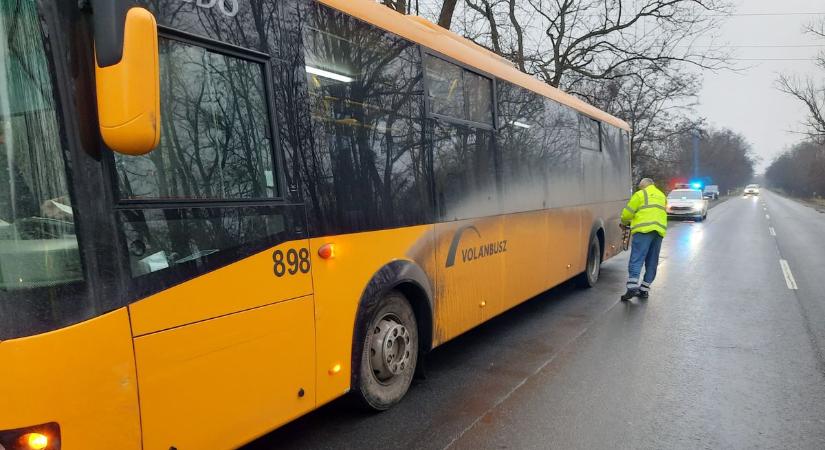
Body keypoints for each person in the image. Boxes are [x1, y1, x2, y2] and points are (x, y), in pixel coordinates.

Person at [620, 178, 667, 301]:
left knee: (637, 257)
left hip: (643, 231)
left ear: (642, 186)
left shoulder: (640, 194)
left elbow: (627, 214)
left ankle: (632, 287)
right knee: (652, 260)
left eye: (640, 186)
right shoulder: (661, 195)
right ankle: (644, 289)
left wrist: (624, 222)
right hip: (659, 231)